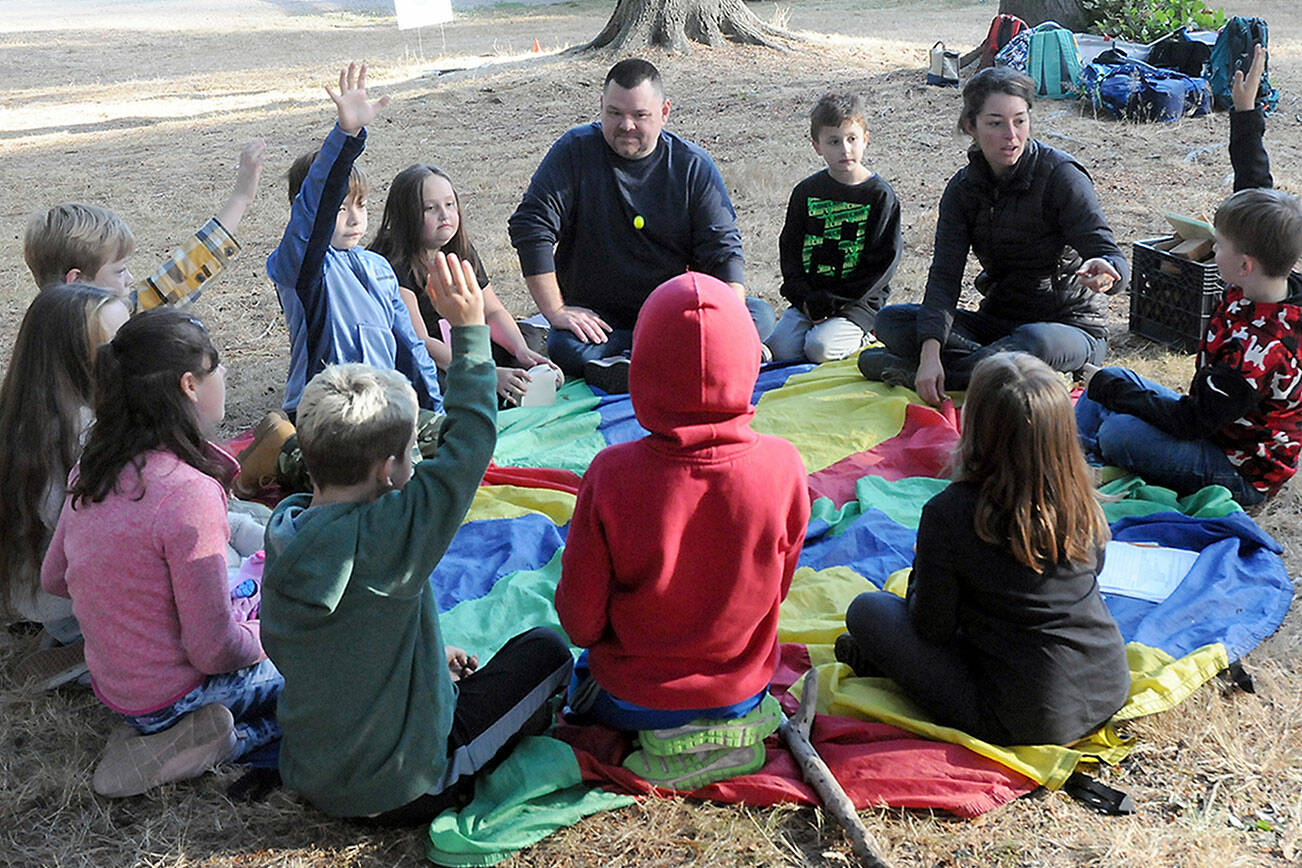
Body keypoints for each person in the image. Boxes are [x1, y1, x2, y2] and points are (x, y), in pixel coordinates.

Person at [260, 252, 572, 824]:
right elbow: (469, 443)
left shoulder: (286, 531)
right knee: (549, 653)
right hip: (405, 785)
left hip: (311, 770)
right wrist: (472, 332)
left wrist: (425, 659)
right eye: (411, 454)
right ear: (389, 471)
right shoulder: (392, 530)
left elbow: (339, 650)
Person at [555, 272, 810, 790]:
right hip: (740, 689)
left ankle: (668, 739)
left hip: (632, 698)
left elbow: (579, 624)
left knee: (563, 673)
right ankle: (726, 734)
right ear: (746, 360)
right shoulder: (784, 465)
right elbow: (776, 589)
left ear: (643, 369)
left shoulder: (610, 473)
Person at [40, 308, 282, 797]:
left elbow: (54, 578)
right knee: (330, 669)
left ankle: (156, 731)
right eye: (220, 367)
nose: (228, 376)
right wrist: (273, 633)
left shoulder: (92, 467)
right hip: (177, 695)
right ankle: (215, 739)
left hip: (118, 690)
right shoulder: (188, 492)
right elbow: (213, 650)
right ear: (190, 385)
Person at [837, 353, 1129, 746]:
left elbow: (932, 627)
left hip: (1024, 718)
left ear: (976, 428)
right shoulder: (1080, 498)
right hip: (1108, 685)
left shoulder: (951, 513)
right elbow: (1092, 570)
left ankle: (881, 665)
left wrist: (924, 573)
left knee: (868, 610)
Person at [1074, 46, 1302, 506]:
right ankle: (1073, 455)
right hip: (1212, 420)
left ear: (1245, 264)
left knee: (1118, 426)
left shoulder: (1258, 352)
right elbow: (1256, 193)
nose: (1212, 248)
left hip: (1238, 469)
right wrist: (1245, 113)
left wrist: (1107, 389)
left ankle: (1084, 462)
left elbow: (1188, 422)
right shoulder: (1270, 277)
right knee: (1113, 381)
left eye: (1219, 244)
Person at [858, 67, 1128, 405]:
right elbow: (944, 278)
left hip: (1064, 328)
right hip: (996, 322)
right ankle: (1001, 367)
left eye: (1020, 121)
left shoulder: (1061, 177)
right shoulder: (962, 190)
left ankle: (930, 373)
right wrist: (930, 353)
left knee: (1032, 341)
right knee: (891, 321)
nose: (1011, 135)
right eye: (996, 123)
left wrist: (1108, 274)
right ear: (971, 126)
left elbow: (1109, 255)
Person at [508, 57, 776, 392]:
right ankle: (683, 359)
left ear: (664, 112)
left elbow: (723, 251)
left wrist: (731, 319)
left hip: (676, 315)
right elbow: (531, 226)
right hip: (602, 321)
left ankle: (637, 362)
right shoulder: (573, 152)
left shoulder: (691, 166)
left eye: (639, 115)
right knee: (565, 345)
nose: (626, 125)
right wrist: (556, 310)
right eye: (615, 113)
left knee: (757, 317)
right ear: (601, 106)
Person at [265, 62, 442, 420]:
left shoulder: (378, 268)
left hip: (385, 411)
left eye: (360, 205)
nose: (354, 217)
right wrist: (345, 138)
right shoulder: (301, 268)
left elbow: (410, 348)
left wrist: (433, 410)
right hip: (329, 416)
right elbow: (316, 208)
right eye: (340, 207)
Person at [0, 286, 131, 681]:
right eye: (116, 345)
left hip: (37, 603)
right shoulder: (90, 436)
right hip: (78, 610)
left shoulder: (19, 420)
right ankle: (93, 654)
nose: (130, 356)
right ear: (73, 357)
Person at [370, 163, 556, 406]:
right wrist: (486, 374)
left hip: (465, 344)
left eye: (450, 204)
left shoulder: (458, 248)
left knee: (529, 339)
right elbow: (419, 342)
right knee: (429, 383)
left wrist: (521, 351)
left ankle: (513, 382)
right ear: (406, 215)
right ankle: (497, 389)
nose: (444, 215)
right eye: (430, 208)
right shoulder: (391, 261)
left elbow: (493, 311)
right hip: (428, 357)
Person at [23, 141, 267, 307]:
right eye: (119, 271)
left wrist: (240, 198)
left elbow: (180, 277)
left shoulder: (39, 344)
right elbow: (169, 287)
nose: (130, 279)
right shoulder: (117, 323)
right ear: (76, 281)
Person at [767, 93, 902, 363]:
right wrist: (804, 297)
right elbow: (790, 251)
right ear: (817, 146)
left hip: (855, 304)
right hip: (809, 300)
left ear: (865, 139)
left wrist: (835, 301)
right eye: (833, 141)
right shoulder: (806, 192)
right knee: (779, 350)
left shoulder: (880, 197)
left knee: (819, 349)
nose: (845, 149)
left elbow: (881, 267)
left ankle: (866, 337)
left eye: (852, 139)